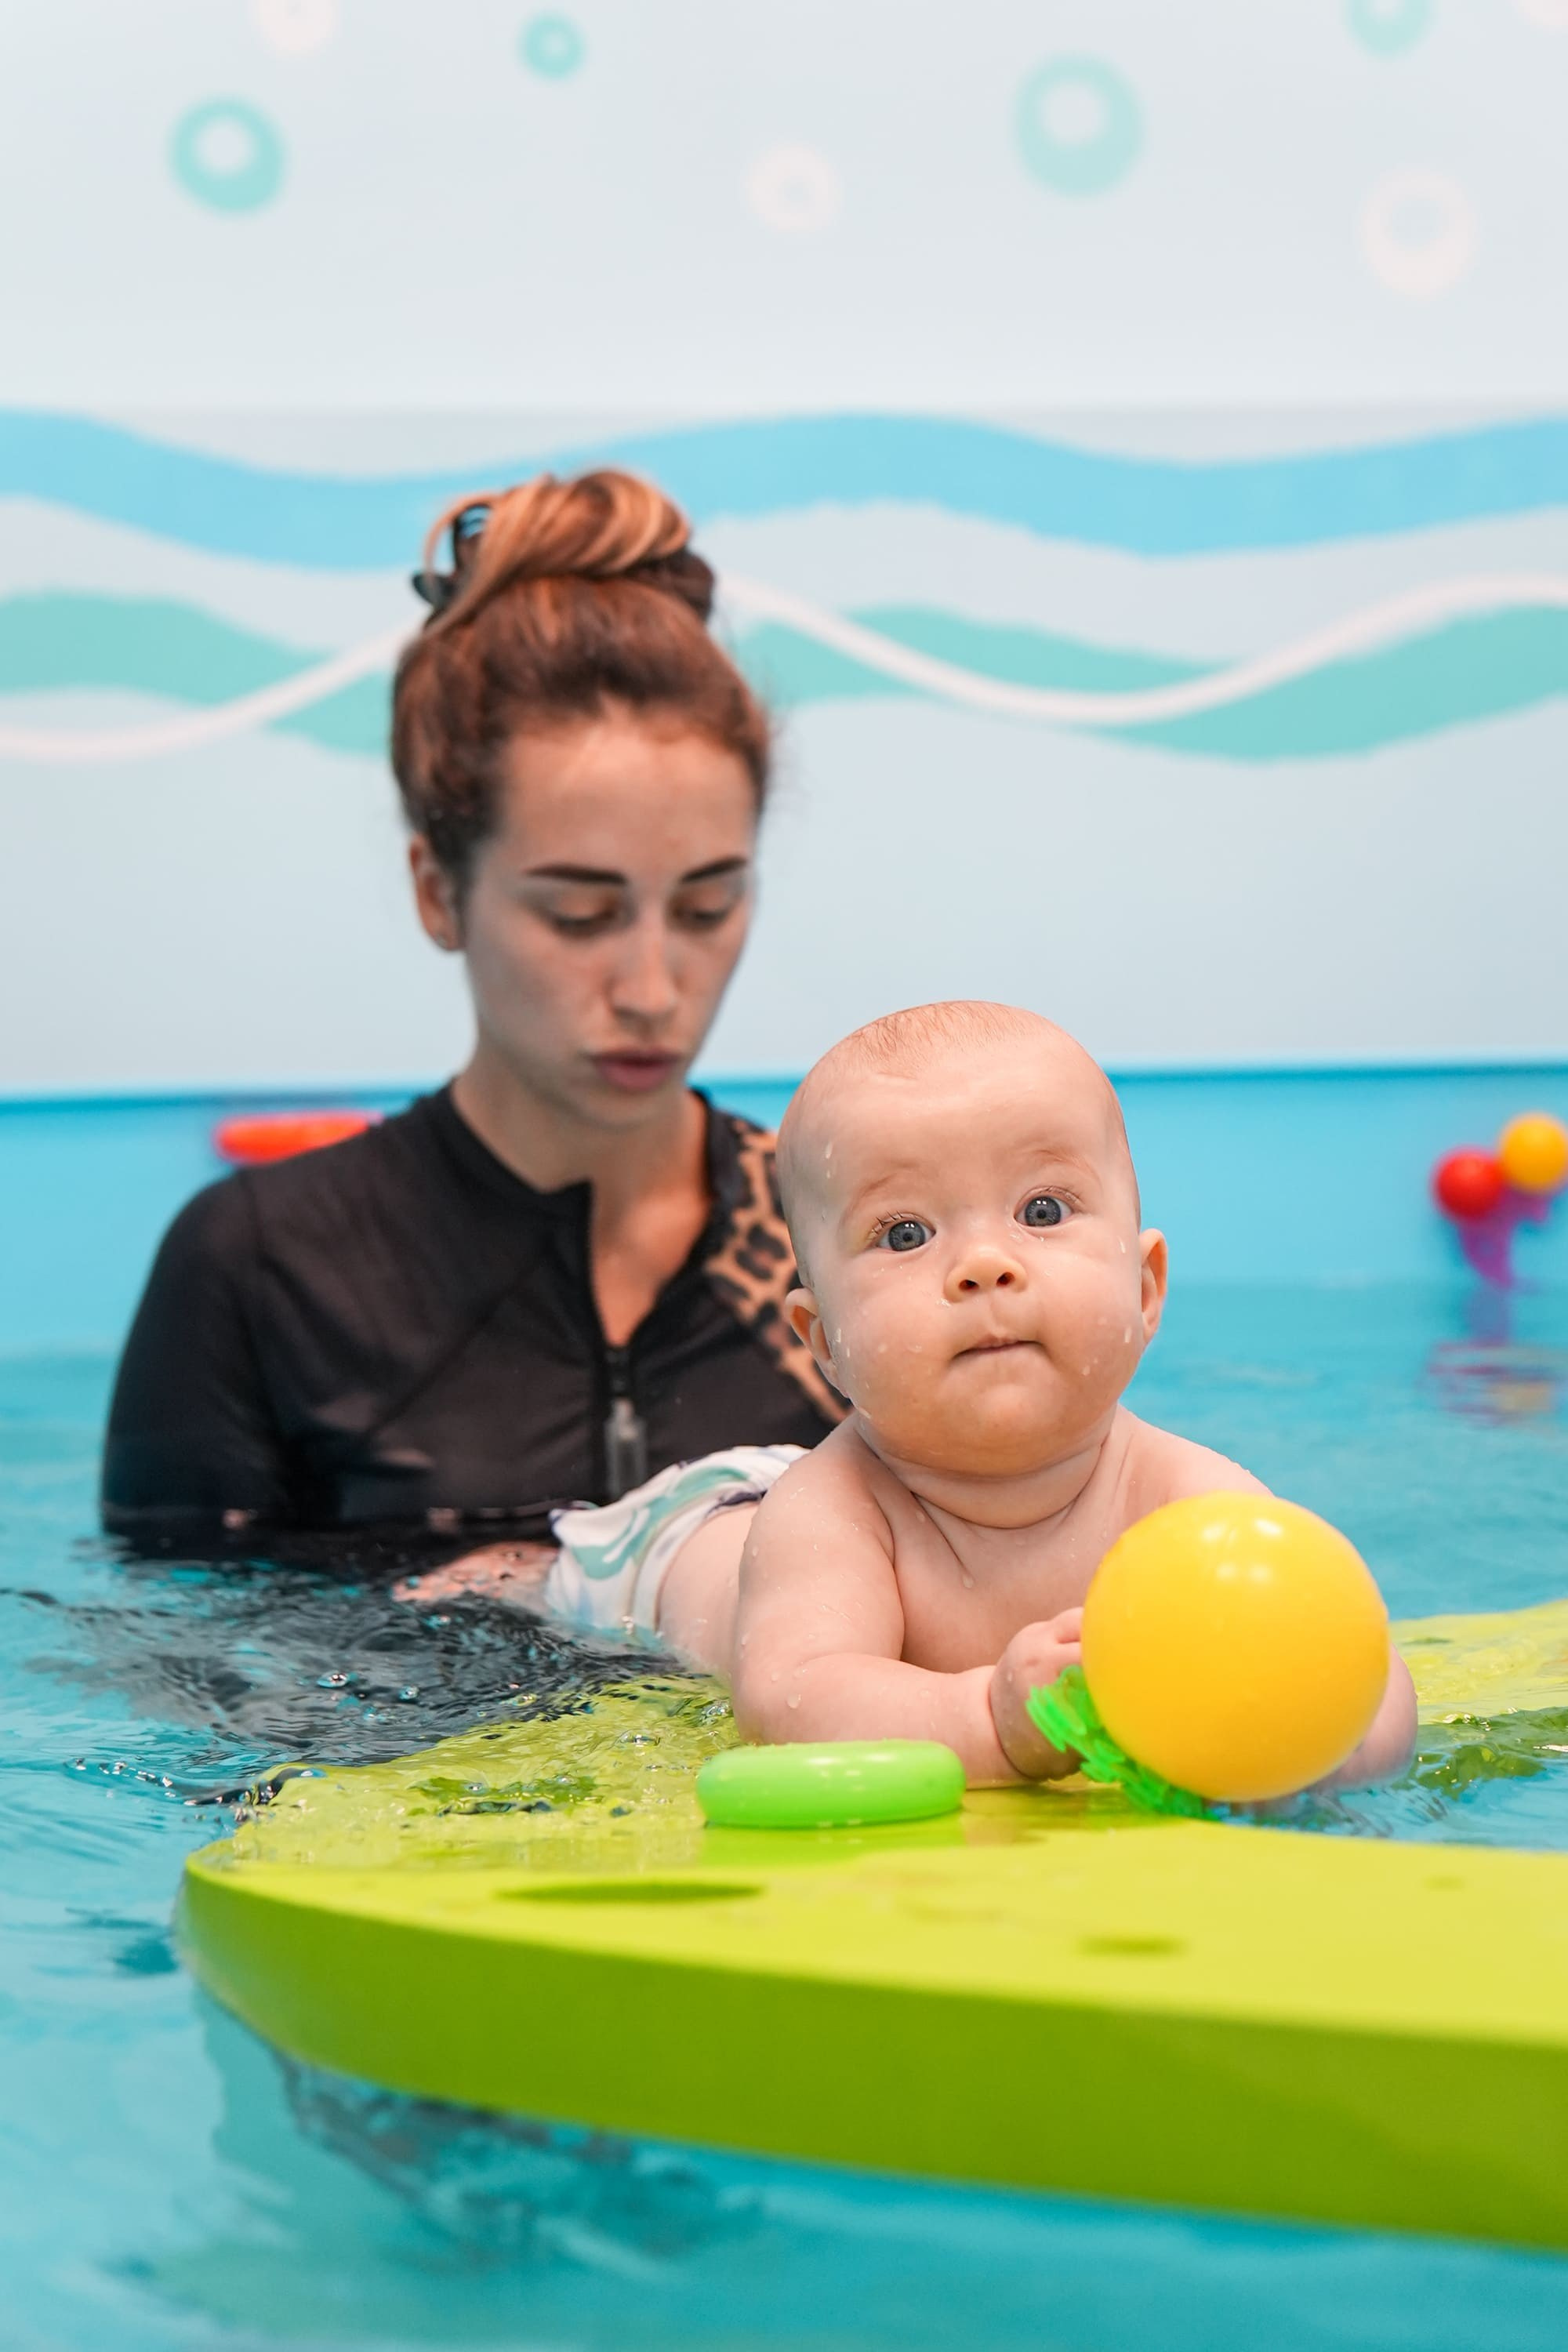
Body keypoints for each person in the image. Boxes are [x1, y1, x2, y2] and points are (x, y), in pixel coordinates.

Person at [101, 470, 842, 1556]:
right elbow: (181, 1673)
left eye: (707, 905)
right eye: (579, 914)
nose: (650, 986)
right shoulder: (262, 1269)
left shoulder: (841, 1249)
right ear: (438, 891)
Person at [536, 1000, 1417, 1790]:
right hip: (673, 1543)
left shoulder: (1187, 1496)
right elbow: (789, 1702)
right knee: (526, 1584)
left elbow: (1359, 1671)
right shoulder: (832, 1513)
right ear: (822, 1345)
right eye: (904, 1232)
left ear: (1144, 1290)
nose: (983, 1265)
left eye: (1041, 1211)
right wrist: (986, 1724)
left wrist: (1302, 1746)